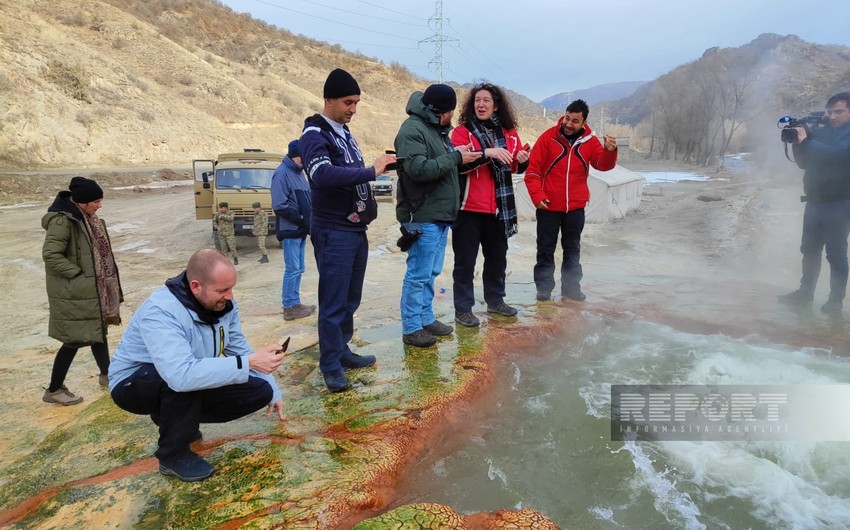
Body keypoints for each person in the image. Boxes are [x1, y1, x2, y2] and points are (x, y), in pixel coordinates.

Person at [108, 248, 286, 482]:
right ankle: (173, 455)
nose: (230, 296)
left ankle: (178, 420)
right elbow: (180, 375)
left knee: (258, 391)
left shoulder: (223, 305)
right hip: (133, 384)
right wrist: (248, 362)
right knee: (181, 378)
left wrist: (272, 388)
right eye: (223, 290)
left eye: (231, 288)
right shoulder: (161, 311)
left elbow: (238, 348)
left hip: (183, 377)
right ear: (195, 286)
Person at [299, 68, 395, 392]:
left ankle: (341, 351)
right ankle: (329, 366)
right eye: (348, 102)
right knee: (333, 301)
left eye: (356, 103)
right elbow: (322, 175)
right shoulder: (315, 134)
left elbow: (347, 171)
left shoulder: (343, 132)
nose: (353, 109)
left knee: (350, 300)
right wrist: (372, 170)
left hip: (354, 230)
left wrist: (381, 165)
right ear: (329, 100)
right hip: (333, 231)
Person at [394, 84, 479, 347]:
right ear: (443, 111)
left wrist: (459, 158)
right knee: (418, 274)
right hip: (423, 214)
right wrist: (455, 157)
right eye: (451, 112)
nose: (452, 117)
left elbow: (442, 166)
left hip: (440, 216)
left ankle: (425, 318)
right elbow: (418, 169)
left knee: (430, 272)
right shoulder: (412, 130)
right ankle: (411, 328)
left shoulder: (435, 129)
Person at [450, 82, 529, 327]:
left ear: (496, 106)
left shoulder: (509, 133)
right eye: (477, 101)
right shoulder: (462, 132)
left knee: (497, 258)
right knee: (465, 262)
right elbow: (459, 163)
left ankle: (495, 301)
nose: (481, 105)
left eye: (486, 101)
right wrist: (488, 153)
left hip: (498, 209)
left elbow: (513, 166)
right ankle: (463, 309)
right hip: (468, 209)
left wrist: (523, 160)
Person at [524, 99, 618, 302]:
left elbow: (602, 165)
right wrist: (538, 197)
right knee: (545, 248)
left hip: (575, 207)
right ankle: (544, 288)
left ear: (583, 123)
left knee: (572, 248)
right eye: (567, 118)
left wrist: (610, 152)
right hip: (548, 205)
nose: (568, 123)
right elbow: (532, 172)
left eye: (575, 121)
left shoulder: (590, 142)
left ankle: (571, 288)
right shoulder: (548, 138)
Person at [41, 176, 123, 406]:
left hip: (92, 289)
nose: (100, 205)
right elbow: (51, 255)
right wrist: (79, 275)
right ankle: (54, 389)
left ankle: (107, 374)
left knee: (99, 330)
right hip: (76, 291)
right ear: (83, 202)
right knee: (74, 340)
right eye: (96, 201)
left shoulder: (89, 218)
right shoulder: (63, 221)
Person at [779, 92, 850, 314]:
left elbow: (838, 156)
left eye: (839, 111)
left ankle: (835, 300)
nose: (833, 116)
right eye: (830, 112)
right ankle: (805, 292)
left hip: (840, 203)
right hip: (814, 202)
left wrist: (808, 140)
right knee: (809, 249)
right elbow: (803, 163)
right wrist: (797, 142)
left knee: (836, 253)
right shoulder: (822, 132)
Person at [271, 139, 316, 321]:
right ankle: (289, 306)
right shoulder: (281, 174)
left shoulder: (299, 173)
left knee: (300, 268)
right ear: (296, 156)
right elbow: (279, 205)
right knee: (293, 268)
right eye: (303, 158)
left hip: (301, 229)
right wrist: (301, 219)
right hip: (291, 229)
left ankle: (295, 303)